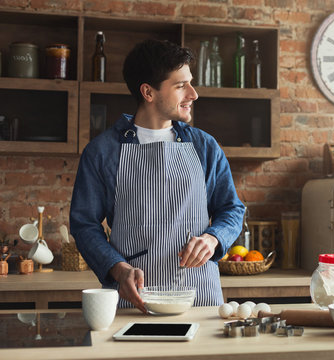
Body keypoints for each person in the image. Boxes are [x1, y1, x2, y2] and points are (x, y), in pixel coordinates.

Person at [70, 39, 245, 312]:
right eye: (180, 86)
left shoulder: (205, 146)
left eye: (191, 82)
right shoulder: (102, 152)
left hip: (200, 299)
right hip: (133, 300)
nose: (193, 94)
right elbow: (84, 225)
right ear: (148, 92)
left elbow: (231, 208)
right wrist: (117, 269)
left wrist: (213, 238)